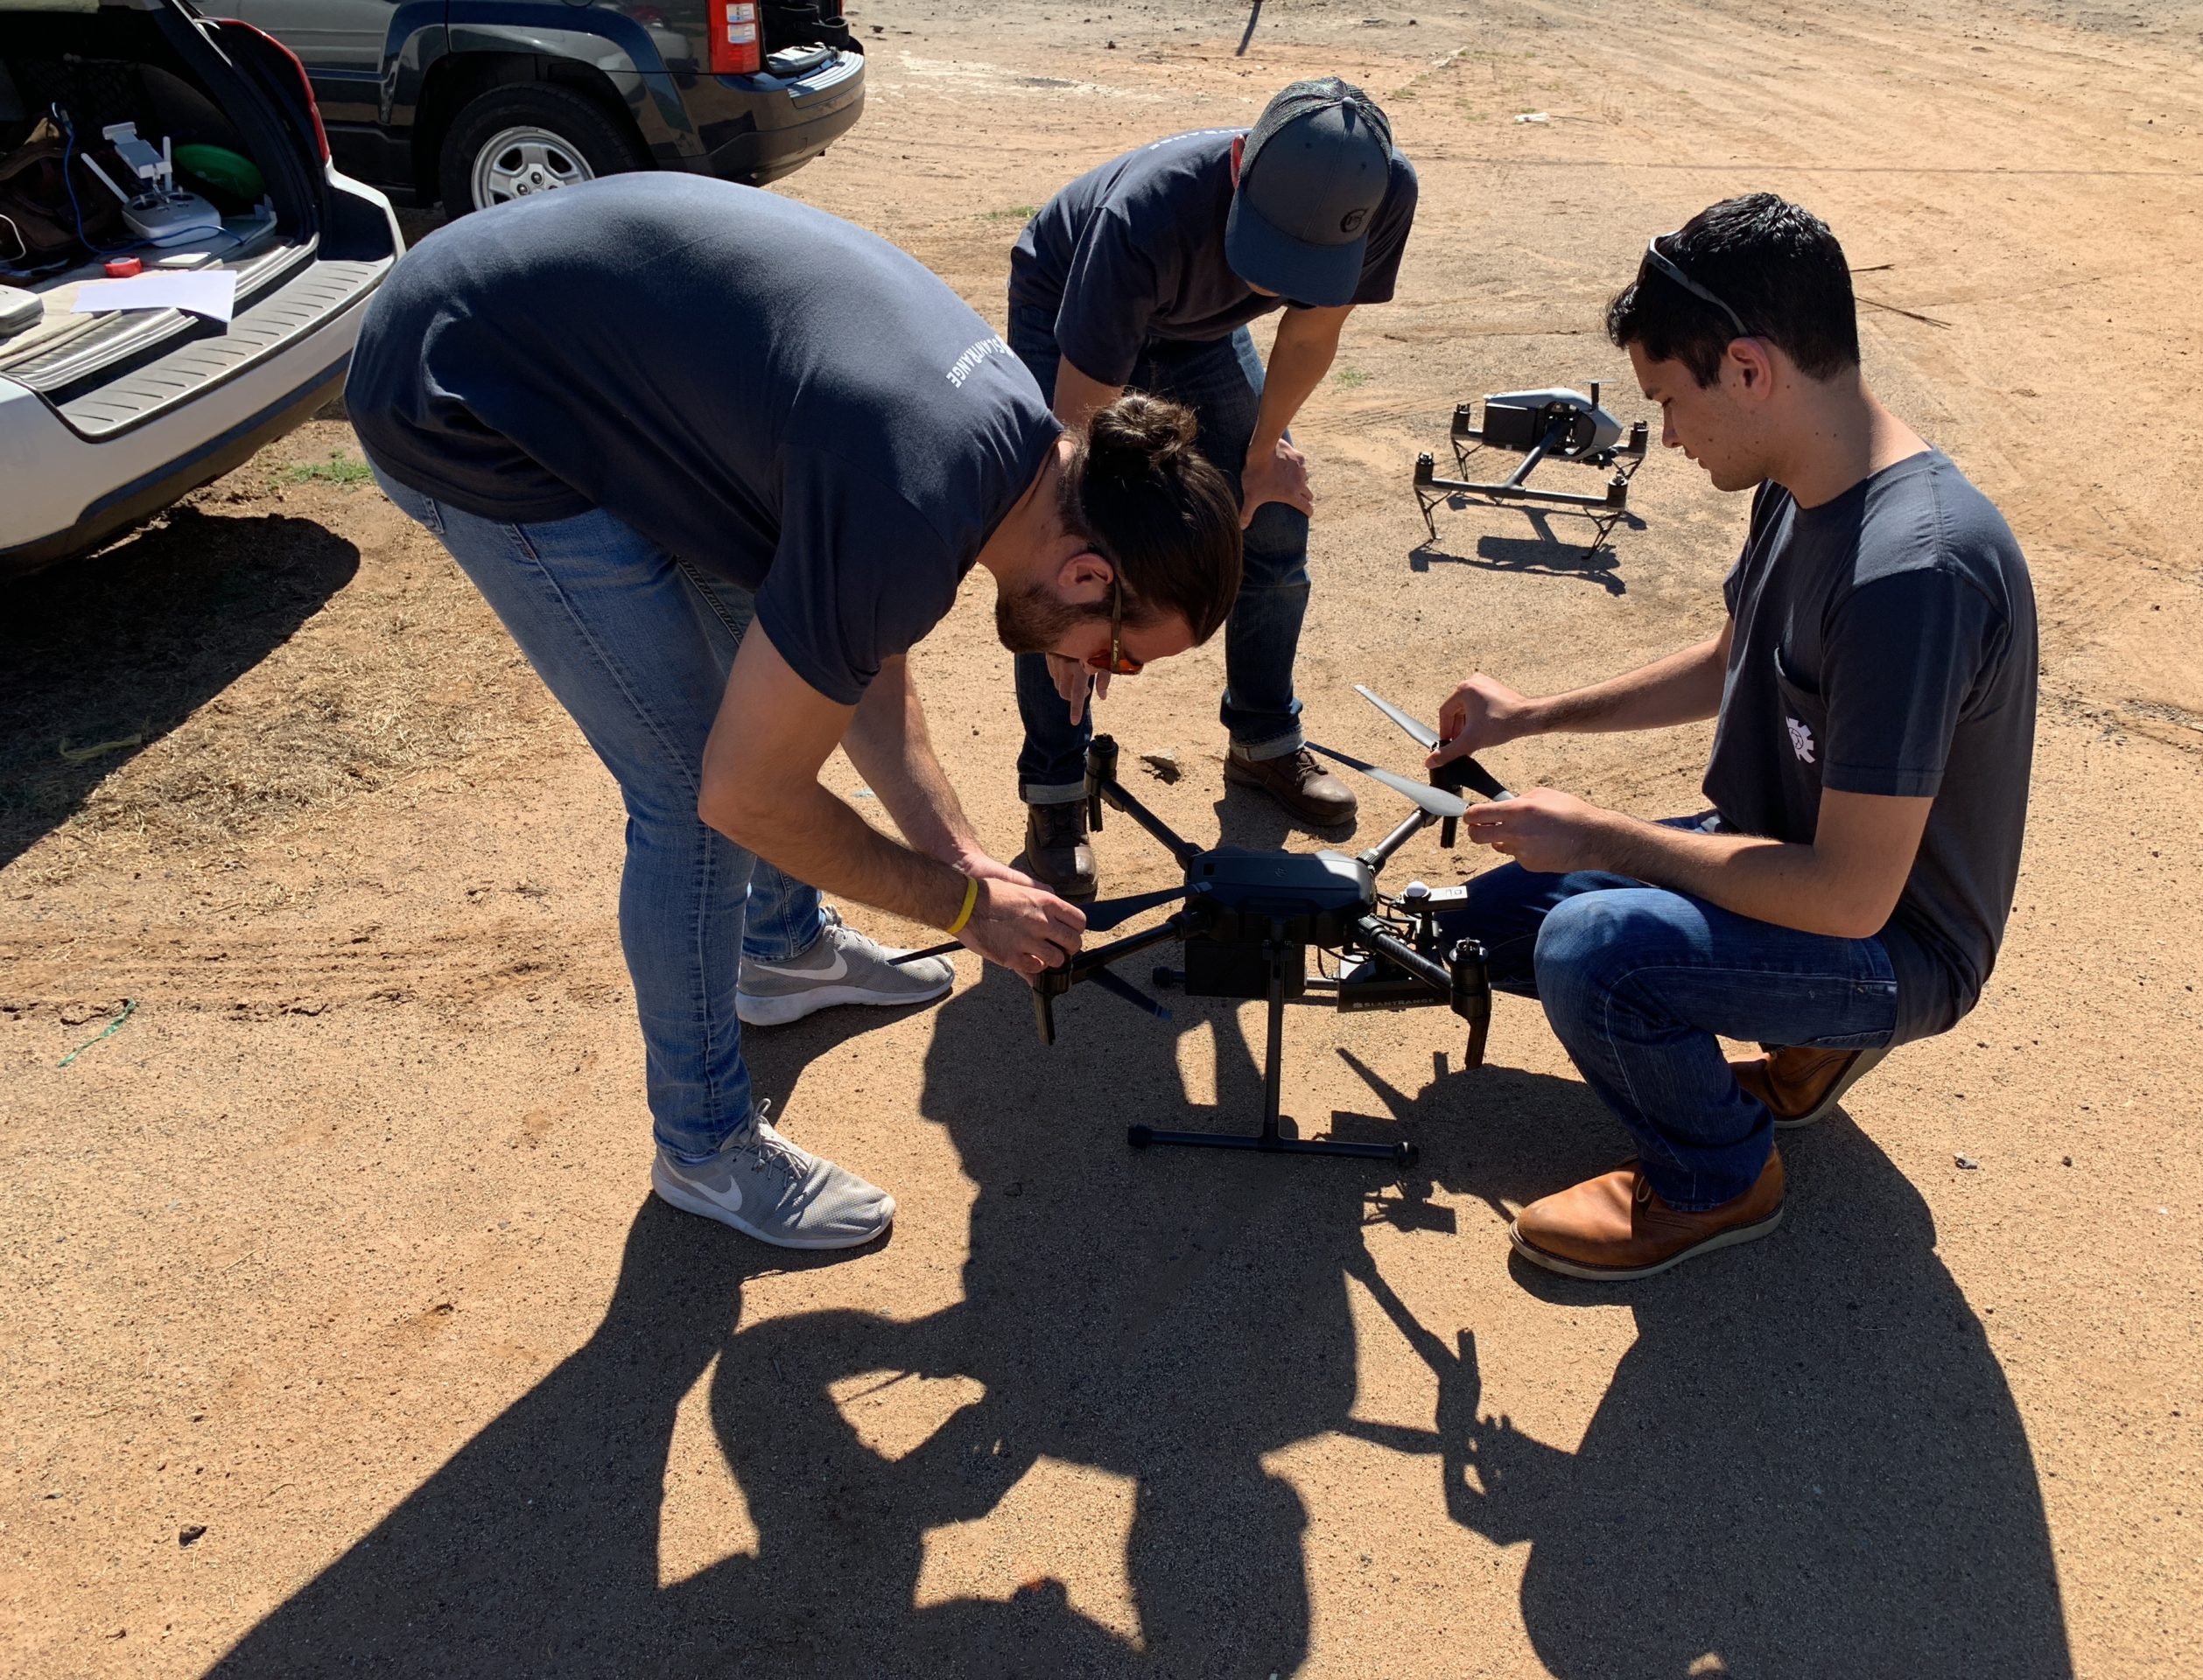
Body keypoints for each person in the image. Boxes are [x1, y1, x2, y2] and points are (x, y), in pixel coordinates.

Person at [345, 175, 1241, 1251]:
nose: (1096, 677)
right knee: (693, 795)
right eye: (1118, 659)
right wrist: (962, 912)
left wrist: (964, 860)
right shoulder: (911, 506)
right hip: (464, 388)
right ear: (1091, 573)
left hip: (575, 332)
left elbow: (857, 662)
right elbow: (746, 793)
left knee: (769, 669)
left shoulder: (1011, 449)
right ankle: (705, 1147)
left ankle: (780, 952)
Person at [1430, 193, 2038, 1281]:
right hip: (1783, 862)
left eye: (1668, 398)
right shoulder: (1803, 479)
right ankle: (1805, 1048)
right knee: (1505, 911)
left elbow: (1851, 899)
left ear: (1748, 369)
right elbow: (1729, 663)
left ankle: (1718, 1175)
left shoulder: (1915, 574)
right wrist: (1533, 714)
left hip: (1892, 943)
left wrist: (1608, 838)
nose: (1663, 434)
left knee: (1591, 955)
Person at [1003, 76, 1420, 897]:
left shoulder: (1383, 195)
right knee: (1061, 561)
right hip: (1068, 315)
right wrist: (1079, 609)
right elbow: (1079, 455)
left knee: (1272, 519)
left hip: (1204, 336)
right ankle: (1055, 785)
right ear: (1239, 163)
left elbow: (1312, 331)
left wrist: (1263, 455)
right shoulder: (1144, 220)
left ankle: (1263, 738)